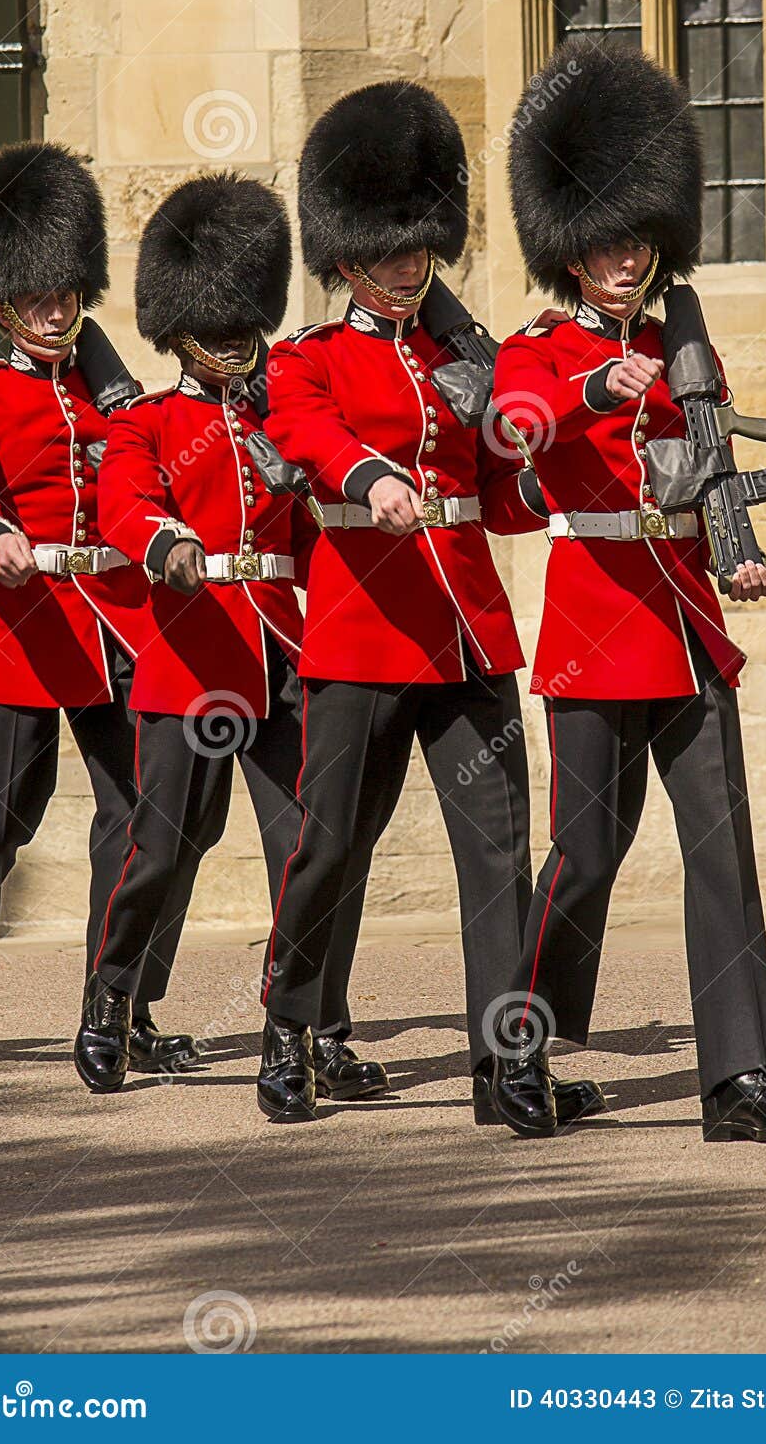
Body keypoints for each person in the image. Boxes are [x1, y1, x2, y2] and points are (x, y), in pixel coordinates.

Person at [491, 38, 766, 1143]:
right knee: (586, 857)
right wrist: (595, 382)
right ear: (568, 250)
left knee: (720, 848)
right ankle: (518, 1055)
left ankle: (738, 1079)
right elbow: (513, 430)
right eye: (603, 239)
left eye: (638, 236)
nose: (626, 256)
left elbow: (708, 474)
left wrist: (737, 553)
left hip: (688, 619)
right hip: (593, 622)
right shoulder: (537, 349)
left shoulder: (694, 355)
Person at [259, 80, 604, 1131]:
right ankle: (291, 1029)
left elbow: (497, 497)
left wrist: (553, 475)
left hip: (466, 638)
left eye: (422, 247)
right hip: (363, 636)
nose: (413, 265)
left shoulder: (464, 359)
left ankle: (507, 1070)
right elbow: (308, 439)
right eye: (393, 249)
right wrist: (372, 481)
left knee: (498, 858)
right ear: (347, 253)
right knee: (330, 847)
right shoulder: (303, 360)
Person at [83, 171, 387, 1110]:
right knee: (165, 848)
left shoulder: (274, 421)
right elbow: (126, 505)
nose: (227, 341)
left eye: (237, 322)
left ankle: (315, 1027)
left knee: (317, 849)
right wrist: (166, 545)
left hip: (286, 659)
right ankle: (111, 1001)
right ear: (177, 333)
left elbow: (303, 537)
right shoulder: (144, 421)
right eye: (209, 327)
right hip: (192, 659)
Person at [0, 142, 200, 1074]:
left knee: (149, 817)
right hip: (16, 625)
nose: (55, 309)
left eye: (66, 291)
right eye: (36, 295)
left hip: (115, 618)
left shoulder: (117, 399)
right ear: (2, 303)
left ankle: (120, 1004)